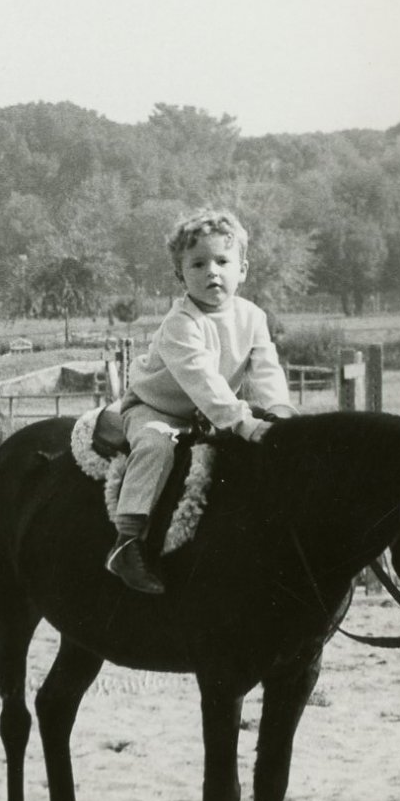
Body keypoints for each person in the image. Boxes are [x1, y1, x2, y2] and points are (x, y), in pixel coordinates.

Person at [106, 209, 296, 594]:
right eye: (198, 264)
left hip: (209, 413)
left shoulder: (252, 317)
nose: (212, 272)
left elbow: (265, 369)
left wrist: (278, 414)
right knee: (156, 444)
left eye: (223, 261)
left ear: (243, 269)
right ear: (180, 276)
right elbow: (203, 380)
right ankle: (127, 541)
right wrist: (243, 423)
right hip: (156, 407)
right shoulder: (181, 323)